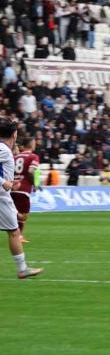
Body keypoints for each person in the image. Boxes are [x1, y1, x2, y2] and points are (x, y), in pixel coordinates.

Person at [0, 118, 42, 279]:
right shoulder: (3, 149)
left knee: (14, 231)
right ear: (14, 134)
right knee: (14, 231)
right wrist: (4, 183)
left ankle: (23, 268)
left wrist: (10, 184)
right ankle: (22, 269)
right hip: (1, 196)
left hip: (4, 195)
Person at [12, 136, 40, 243]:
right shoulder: (33, 156)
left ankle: (18, 236)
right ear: (31, 144)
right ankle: (19, 236)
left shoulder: (15, 157)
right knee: (23, 215)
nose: (35, 144)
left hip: (13, 187)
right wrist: (34, 184)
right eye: (34, 142)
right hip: (23, 189)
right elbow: (31, 171)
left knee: (18, 213)